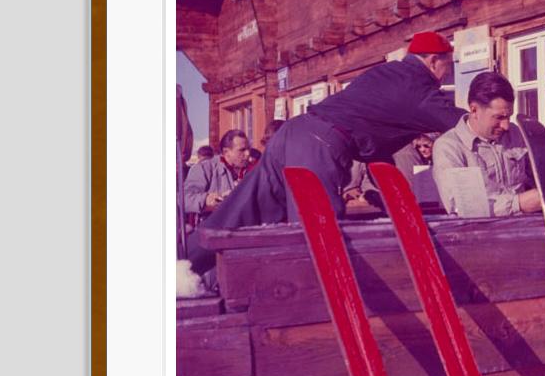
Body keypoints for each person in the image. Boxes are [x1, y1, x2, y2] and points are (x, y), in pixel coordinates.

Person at [186, 31, 464, 275]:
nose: (445, 76)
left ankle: (180, 268)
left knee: (238, 213)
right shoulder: (419, 87)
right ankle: (311, 314)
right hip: (319, 145)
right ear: (433, 60)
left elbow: (374, 125)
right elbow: (463, 126)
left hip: (294, 132)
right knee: (318, 239)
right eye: (446, 68)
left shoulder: (387, 72)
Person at [433, 71, 542, 217]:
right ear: (474, 110)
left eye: (509, 117)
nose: (506, 126)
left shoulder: (515, 134)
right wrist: (519, 203)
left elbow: (537, 175)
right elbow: (461, 208)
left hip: (524, 229)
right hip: (483, 235)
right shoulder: (449, 147)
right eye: (499, 117)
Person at [184, 129, 250, 221]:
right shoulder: (204, 169)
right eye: (242, 150)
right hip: (214, 230)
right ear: (226, 152)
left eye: (248, 149)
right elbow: (184, 199)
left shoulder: (251, 170)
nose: (247, 154)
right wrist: (206, 200)